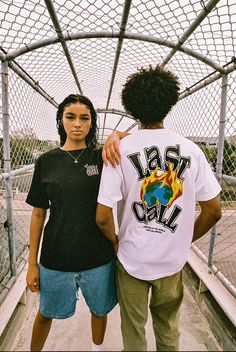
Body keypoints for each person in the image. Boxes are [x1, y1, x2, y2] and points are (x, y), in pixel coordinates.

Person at [96, 65, 222, 351]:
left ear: (132, 108)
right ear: (169, 104)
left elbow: (103, 217)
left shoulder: (118, 151)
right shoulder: (192, 150)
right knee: (168, 331)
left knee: (134, 332)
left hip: (132, 260)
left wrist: (116, 243)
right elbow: (214, 210)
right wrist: (183, 239)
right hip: (171, 262)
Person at [26, 93, 124, 352]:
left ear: (92, 123)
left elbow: (136, 139)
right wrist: (31, 265)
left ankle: (97, 349)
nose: (77, 123)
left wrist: (116, 136)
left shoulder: (101, 157)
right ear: (61, 120)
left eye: (85, 118)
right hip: (56, 256)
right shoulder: (46, 162)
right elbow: (38, 214)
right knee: (45, 313)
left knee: (99, 310)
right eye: (71, 117)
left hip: (97, 256)